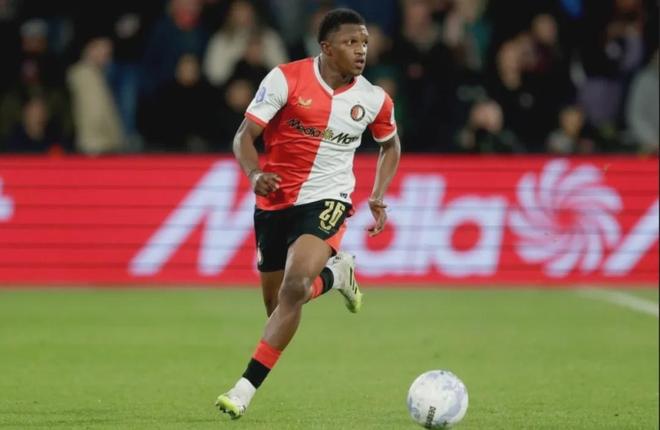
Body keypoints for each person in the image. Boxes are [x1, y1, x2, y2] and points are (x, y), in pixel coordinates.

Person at [215, 8, 401, 420]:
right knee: (277, 306)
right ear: (327, 48)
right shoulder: (285, 79)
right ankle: (338, 275)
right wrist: (255, 174)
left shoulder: (373, 99)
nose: (361, 50)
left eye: (365, 42)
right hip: (274, 201)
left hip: (328, 198)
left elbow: (390, 144)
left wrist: (377, 194)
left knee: (295, 288)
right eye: (351, 42)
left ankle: (243, 390)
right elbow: (244, 136)